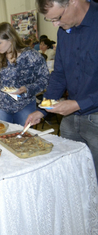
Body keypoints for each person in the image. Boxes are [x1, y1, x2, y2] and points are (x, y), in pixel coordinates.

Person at [25, 0, 98, 180]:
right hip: (71, 119)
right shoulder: (64, 32)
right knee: (75, 178)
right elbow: (59, 74)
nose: (56, 25)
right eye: (51, 21)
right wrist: (44, 108)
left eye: (57, 18)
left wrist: (79, 104)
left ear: (74, 1)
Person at [0, 22, 49, 126]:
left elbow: (45, 80)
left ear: (11, 40)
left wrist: (27, 88)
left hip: (25, 106)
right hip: (2, 107)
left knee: (23, 139)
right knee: (3, 137)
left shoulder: (31, 56)